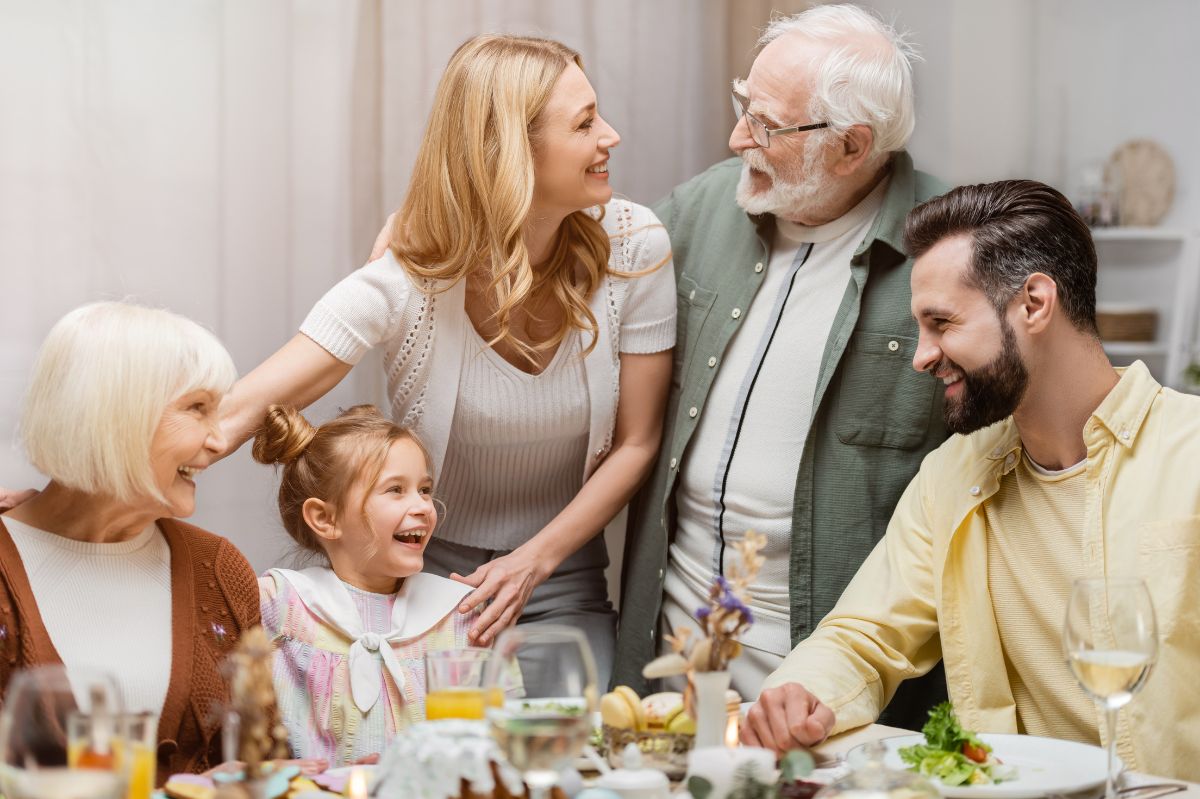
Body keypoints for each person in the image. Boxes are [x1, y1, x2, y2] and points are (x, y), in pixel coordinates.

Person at [220, 34, 674, 690]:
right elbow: (240, 408)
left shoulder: (634, 246)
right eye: (583, 123)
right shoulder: (413, 274)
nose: (611, 135)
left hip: (562, 580)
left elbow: (639, 441)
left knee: (576, 764)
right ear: (512, 151)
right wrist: (75, 489)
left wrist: (532, 563)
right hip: (415, 579)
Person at [743, 179, 1200, 780]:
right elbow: (864, 635)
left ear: (1034, 304)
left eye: (942, 323)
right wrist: (801, 691)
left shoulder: (1189, 452)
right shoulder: (950, 477)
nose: (922, 355)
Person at [613, 4, 948, 725]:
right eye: (744, 106)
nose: (738, 138)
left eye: (766, 125)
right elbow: (570, 273)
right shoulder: (699, 210)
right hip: (668, 676)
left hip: (823, 695)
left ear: (852, 147)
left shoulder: (953, 249)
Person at [0, 301, 261, 776]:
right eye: (197, 408)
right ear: (116, 415)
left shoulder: (220, 570)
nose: (220, 441)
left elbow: (261, 761)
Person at [253, 404, 477, 766]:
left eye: (424, 489)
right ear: (325, 519)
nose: (423, 506)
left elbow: (496, 739)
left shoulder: (459, 615)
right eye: (395, 490)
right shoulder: (280, 606)